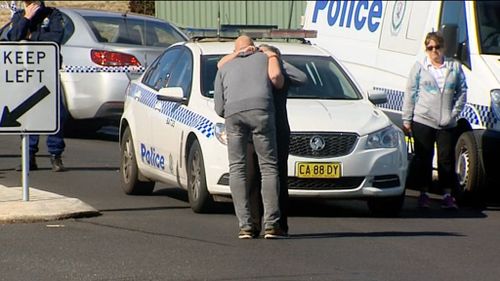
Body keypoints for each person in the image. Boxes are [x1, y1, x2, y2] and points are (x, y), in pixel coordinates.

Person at [219, 44, 307, 236]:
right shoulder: (258, 69)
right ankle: (263, 224)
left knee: (266, 174)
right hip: (262, 125)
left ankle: (265, 224)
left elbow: (301, 77)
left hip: (267, 128)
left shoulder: (273, 66)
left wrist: (273, 59)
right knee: (259, 175)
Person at [214, 35, 285, 239]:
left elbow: (219, 108)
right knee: (269, 167)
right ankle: (271, 225)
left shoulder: (225, 67)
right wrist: (271, 54)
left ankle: (245, 226)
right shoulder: (265, 58)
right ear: (253, 47)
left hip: (233, 115)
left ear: (235, 50)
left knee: (237, 168)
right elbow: (279, 81)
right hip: (261, 110)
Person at [402, 31, 467, 209]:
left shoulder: (454, 67)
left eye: (437, 47)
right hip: (423, 119)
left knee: (446, 158)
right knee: (424, 157)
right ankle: (423, 193)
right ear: (426, 49)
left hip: (446, 121)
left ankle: (447, 194)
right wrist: (407, 119)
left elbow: (462, 92)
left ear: (443, 47)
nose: (434, 51)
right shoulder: (420, 67)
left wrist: (454, 114)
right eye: (430, 48)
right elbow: (410, 93)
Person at [7, 0, 67, 172]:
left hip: (47, 72)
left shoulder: (52, 15)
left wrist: (32, 37)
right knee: (28, 114)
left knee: (56, 115)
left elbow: (55, 37)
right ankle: (29, 156)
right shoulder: (19, 16)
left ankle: (56, 155)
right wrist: (26, 18)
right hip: (26, 74)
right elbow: (13, 37)